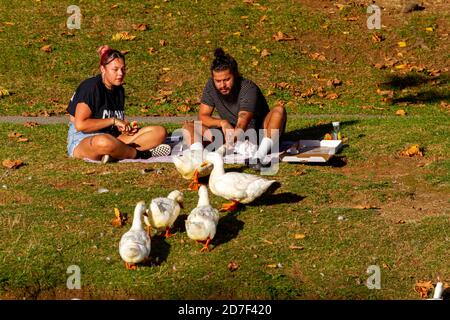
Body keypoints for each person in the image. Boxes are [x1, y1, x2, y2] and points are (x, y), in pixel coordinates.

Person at [182, 48, 287, 170]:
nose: (222, 85)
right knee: (189, 126)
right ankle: (199, 160)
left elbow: (243, 121)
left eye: (227, 80)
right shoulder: (210, 86)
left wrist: (229, 142)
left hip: (258, 134)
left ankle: (259, 156)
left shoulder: (248, 88)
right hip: (231, 135)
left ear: (235, 75)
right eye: (218, 81)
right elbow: (203, 116)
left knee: (279, 110)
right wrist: (222, 122)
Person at [66, 45, 171, 163]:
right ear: (103, 69)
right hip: (83, 139)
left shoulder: (119, 89)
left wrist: (125, 129)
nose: (120, 73)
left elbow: (113, 123)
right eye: (115, 69)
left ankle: (116, 154)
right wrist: (113, 120)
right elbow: (80, 125)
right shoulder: (91, 87)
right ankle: (141, 154)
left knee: (159, 132)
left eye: (123, 69)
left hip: (113, 138)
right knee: (104, 141)